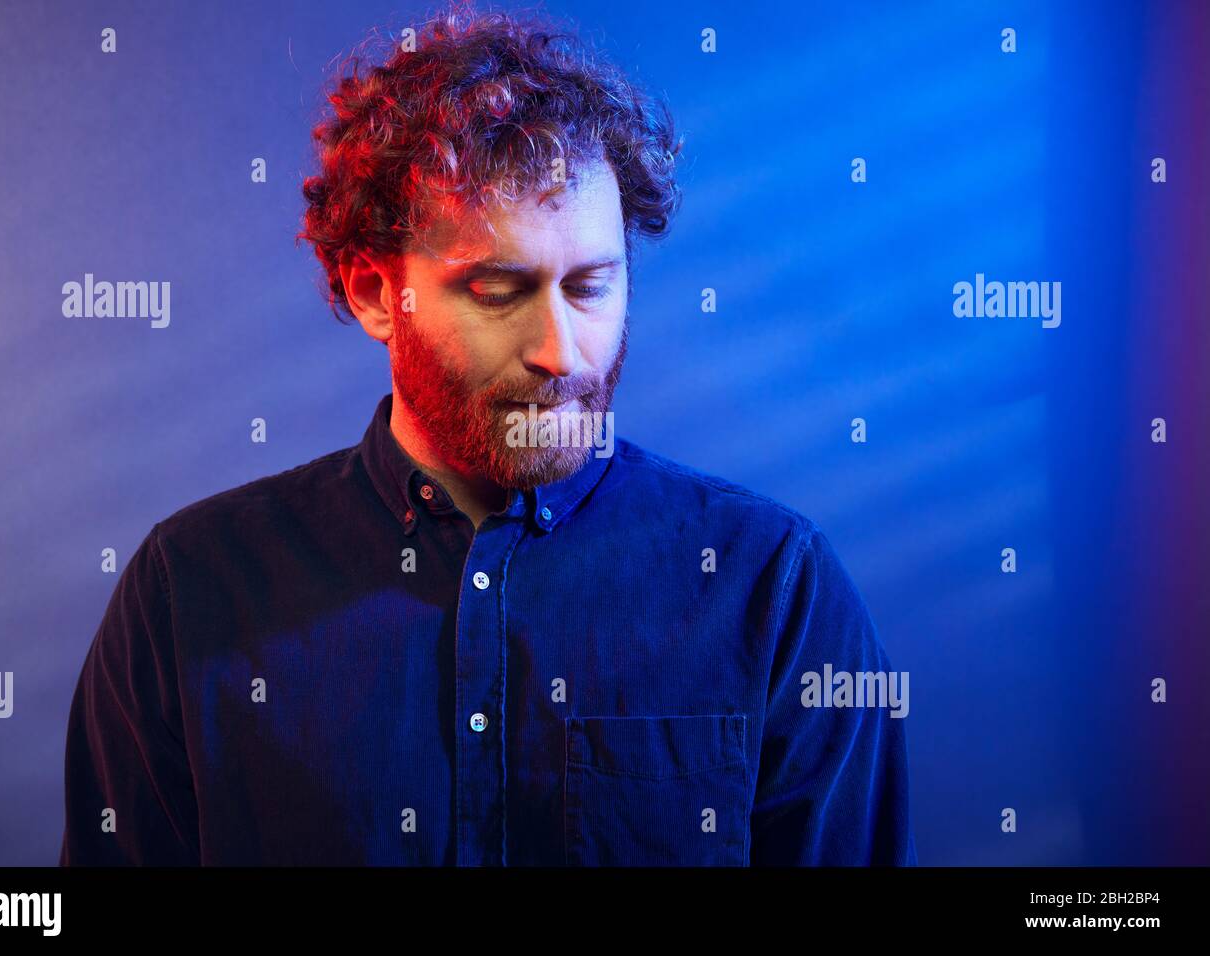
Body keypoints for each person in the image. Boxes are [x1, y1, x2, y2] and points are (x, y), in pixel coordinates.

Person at [60, 4, 916, 866]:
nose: (560, 353)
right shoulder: (191, 591)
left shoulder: (772, 589)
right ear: (369, 292)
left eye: (590, 287)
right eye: (499, 292)